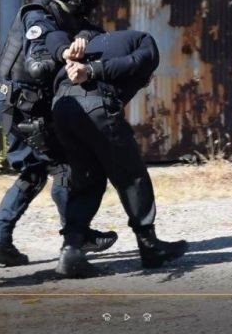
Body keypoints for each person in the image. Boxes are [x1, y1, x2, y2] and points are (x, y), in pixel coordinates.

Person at [0, 0, 117, 266]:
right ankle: (76, 238)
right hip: (24, 105)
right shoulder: (38, 14)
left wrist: (87, 39)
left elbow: (95, 35)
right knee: (64, 168)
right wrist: (61, 54)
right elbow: (39, 55)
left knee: (33, 173)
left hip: (19, 103)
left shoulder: (75, 19)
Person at [43, 29, 188, 277]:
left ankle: (71, 251)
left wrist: (73, 57)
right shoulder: (146, 41)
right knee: (131, 175)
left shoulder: (91, 40)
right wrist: (92, 71)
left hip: (62, 107)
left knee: (86, 179)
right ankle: (150, 246)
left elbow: (53, 37)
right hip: (94, 104)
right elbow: (135, 62)